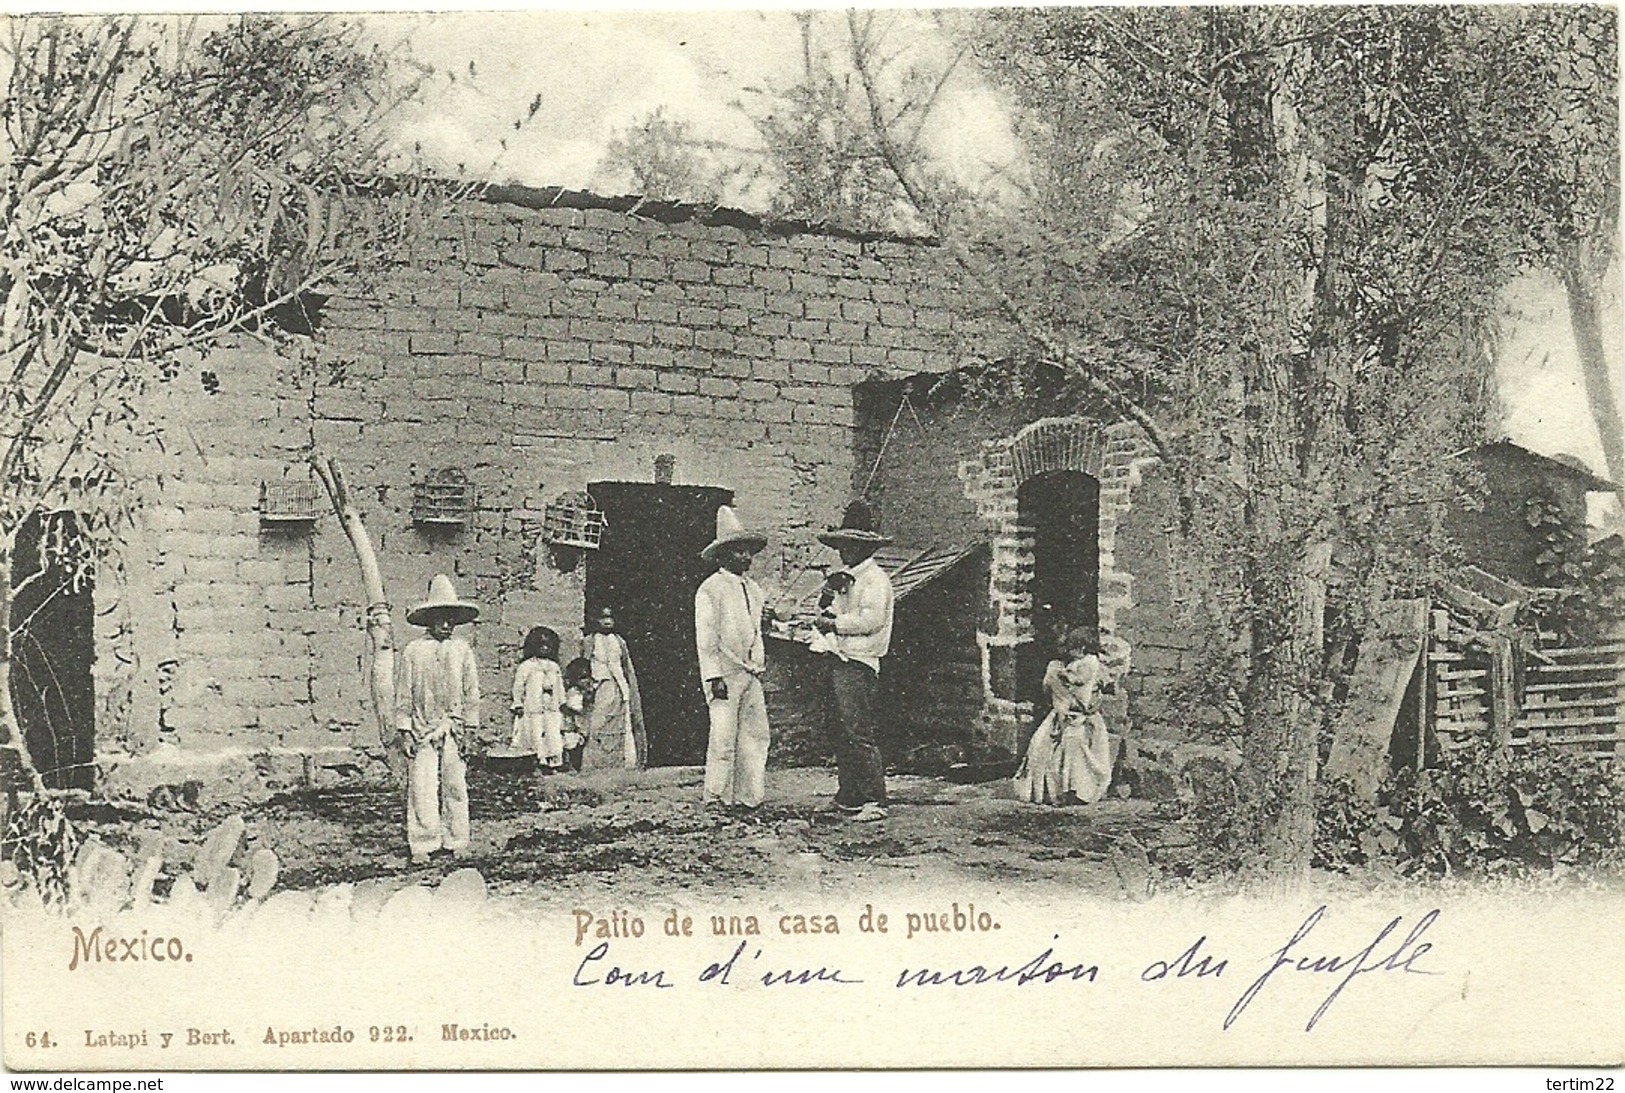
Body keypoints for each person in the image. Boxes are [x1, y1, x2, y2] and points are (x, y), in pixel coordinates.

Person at [811, 500, 895, 823]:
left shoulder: (875, 581)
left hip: (860, 662)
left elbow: (870, 621)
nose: (844, 551)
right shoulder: (843, 580)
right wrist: (828, 604)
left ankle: (876, 798)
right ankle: (849, 794)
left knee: (858, 731)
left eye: (850, 545)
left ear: (863, 547)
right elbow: (833, 614)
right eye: (841, 545)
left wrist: (835, 624)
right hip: (839, 658)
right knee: (839, 730)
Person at [394, 574, 481, 863]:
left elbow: (471, 693)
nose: (445, 625)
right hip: (423, 729)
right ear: (428, 620)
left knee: (455, 784)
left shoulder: (462, 650)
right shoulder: (414, 652)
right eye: (440, 619)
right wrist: (405, 730)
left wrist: (470, 730)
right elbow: (404, 694)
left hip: (453, 728)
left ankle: (456, 838)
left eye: (450, 619)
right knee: (422, 785)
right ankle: (423, 842)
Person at [695, 506, 771, 811]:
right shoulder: (710, 589)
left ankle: (748, 796)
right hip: (724, 673)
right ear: (723, 555)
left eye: (748, 552)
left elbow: (754, 627)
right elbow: (706, 638)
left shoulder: (754, 590)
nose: (746, 558)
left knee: (755, 734)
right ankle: (716, 795)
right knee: (723, 736)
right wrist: (714, 677)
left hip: (750, 672)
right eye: (739, 552)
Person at [1012, 626, 1115, 806]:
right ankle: (1053, 790)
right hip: (1064, 714)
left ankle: (1079, 790)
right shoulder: (1066, 666)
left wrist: (1068, 680)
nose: (1069, 651)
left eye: (1072, 647)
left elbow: (1083, 682)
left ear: (1082, 648)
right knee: (1040, 745)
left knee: (1077, 747)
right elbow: (1053, 690)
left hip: (1084, 717)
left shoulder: (1091, 663)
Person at [580, 605, 646, 770]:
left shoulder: (619, 641)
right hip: (599, 685)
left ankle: (620, 763)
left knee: (620, 723)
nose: (607, 622)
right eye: (603, 617)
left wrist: (628, 688)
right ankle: (594, 764)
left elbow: (625, 666)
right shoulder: (590, 640)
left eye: (610, 618)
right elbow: (584, 664)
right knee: (597, 724)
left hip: (618, 686)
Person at [510, 626, 566, 770]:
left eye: (548, 645)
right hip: (533, 707)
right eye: (541, 645)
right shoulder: (527, 666)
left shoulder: (554, 667)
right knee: (536, 732)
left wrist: (562, 702)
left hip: (551, 708)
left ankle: (554, 760)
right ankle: (539, 760)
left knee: (552, 733)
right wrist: (518, 703)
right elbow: (518, 686)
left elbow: (559, 686)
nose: (545, 648)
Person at [559, 657, 593, 773]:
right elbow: (575, 707)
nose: (587, 681)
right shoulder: (574, 692)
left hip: (578, 725)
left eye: (589, 677)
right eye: (583, 678)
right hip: (570, 726)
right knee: (572, 745)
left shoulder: (584, 691)